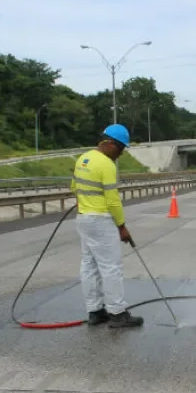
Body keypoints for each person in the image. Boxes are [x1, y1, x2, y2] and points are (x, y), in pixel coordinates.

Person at [70, 124, 144, 328]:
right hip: (101, 220)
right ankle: (117, 313)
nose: (120, 154)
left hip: (84, 218)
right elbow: (112, 201)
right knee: (111, 267)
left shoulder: (82, 159)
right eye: (120, 148)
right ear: (110, 144)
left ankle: (95, 311)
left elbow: (74, 188)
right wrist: (122, 226)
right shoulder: (106, 164)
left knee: (89, 265)